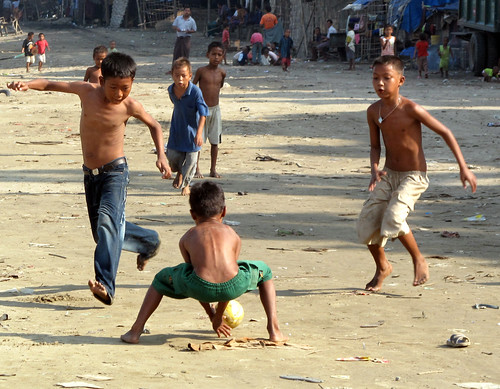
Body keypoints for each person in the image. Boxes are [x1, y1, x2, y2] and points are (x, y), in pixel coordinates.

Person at [7, 52, 172, 305]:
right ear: (102, 79)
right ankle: (149, 241)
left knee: (108, 224)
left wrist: (161, 155)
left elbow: (155, 125)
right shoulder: (86, 91)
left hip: (115, 173)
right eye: (113, 87)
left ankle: (105, 285)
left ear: (132, 83)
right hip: (90, 175)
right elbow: (51, 84)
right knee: (102, 233)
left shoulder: (130, 106)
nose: (118, 94)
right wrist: (27, 84)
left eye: (125, 88)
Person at [357, 55, 477, 292]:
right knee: (365, 224)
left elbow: (446, 133)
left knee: (393, 217)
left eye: (386, 78)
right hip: (388, 175)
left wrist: (463, 167)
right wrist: (374, 169)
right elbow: (375, 146)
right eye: (375, 78)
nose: (380, 84)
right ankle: (383, 266)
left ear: (400, 80)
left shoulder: (411, 109)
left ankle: (418, 258)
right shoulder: (373, 111)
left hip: (414, 176)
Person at [120, 181, 287, 344]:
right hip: (234, 285)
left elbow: (194, 272)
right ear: (224, 212)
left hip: (199, 287)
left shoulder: (187, 237)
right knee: (264, 271)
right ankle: (274, 329)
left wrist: (211, 315)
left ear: (193, 214)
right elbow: (226, 274)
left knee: (160, 279)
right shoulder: (232, 234)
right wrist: (218, 316)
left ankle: (135, 331)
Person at [166, 57, 209, 196]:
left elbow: (203, 113)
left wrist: (199, 133)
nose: (180, 79)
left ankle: (186, 184)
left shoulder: (195, 92)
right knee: (172, 157)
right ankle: (179, 172)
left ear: (190, 76)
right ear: (172, 74)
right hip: (177, 130)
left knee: (191, 161)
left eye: (183, 76)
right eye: (176, 75)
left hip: (193, 132)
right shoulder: (171, 90)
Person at [193, 42, 226, 180]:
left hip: (215, 110)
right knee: (198, 140)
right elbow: (193, 87)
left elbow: (220, 86)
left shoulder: (222, 73)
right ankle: (196, 168)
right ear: (208, 55)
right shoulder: (201, 71)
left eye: (219, 55)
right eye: (213, 54)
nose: (216, 57)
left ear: (223, 57)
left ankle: (213, 169)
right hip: (201, 110)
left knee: (215, 141)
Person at [170, 7, 197, 73]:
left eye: (188, 10)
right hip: (179, 37)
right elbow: (173, 26)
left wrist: (189, 31)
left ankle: (185, 69)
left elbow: (194, 30)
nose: (187, 12)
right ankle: (174, 69)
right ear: (183, 11)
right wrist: (177, 29)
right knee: (176, 53)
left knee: (185, 54)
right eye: (185, 10)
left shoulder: (192, 20)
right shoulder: (178, 18)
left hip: (186, 38)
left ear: (190, 12)